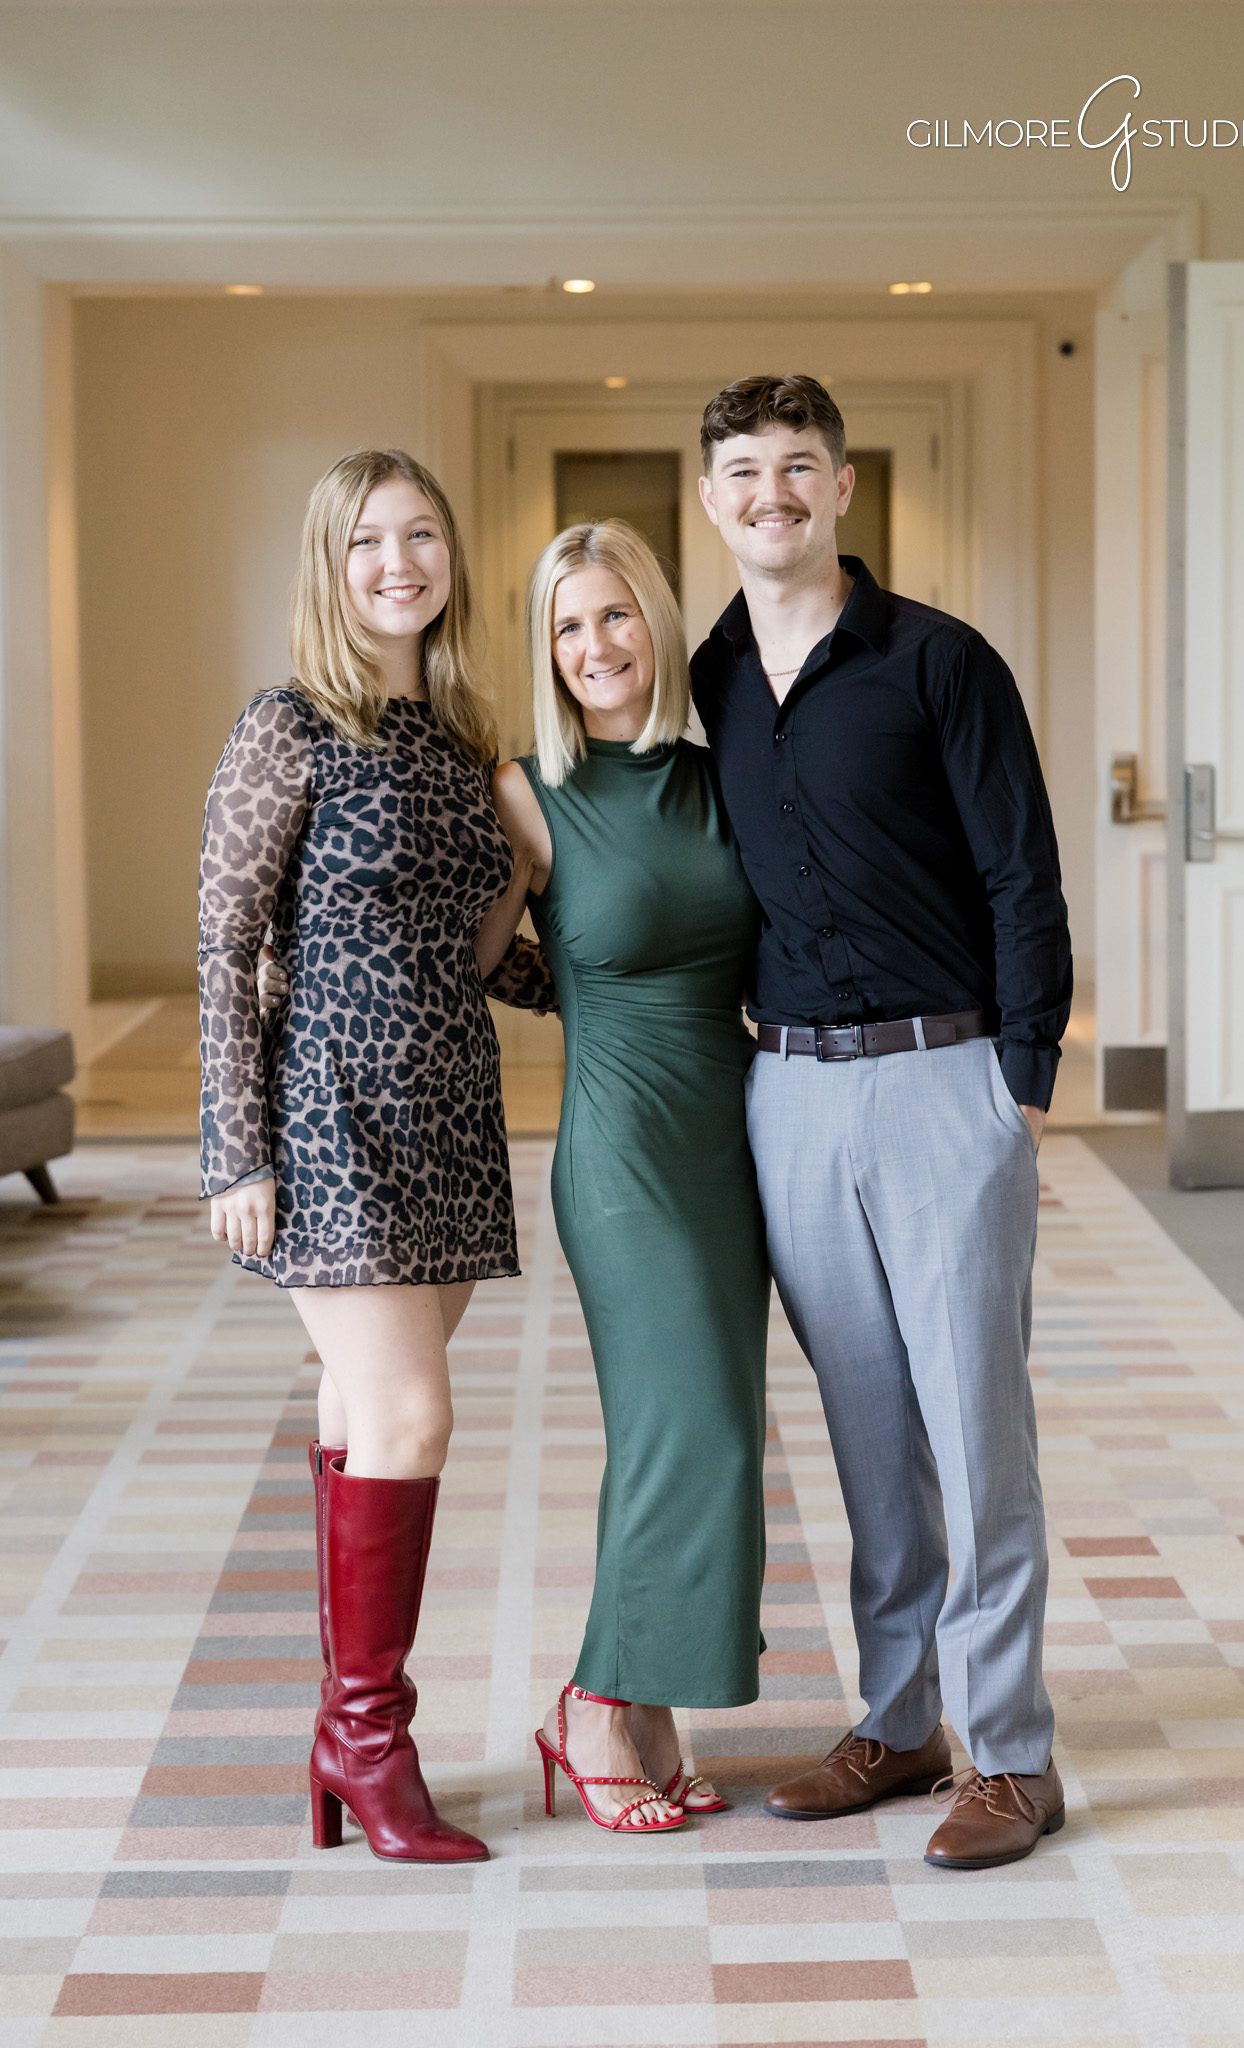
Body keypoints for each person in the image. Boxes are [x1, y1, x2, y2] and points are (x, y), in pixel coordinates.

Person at [691, 375, 1072, 1870]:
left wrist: (1013, 1085)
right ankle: (901, 1717)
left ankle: (1014, 1753)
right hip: (783, 1088)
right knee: (863, 1435)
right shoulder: (706, 675)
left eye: (797, 465)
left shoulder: (937, 661)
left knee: (975, 1431)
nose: (769, 491)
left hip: (940, 1079)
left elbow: (1019, 876)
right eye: (741, 469)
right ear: (710, 495)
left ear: (842, 487)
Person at [198, 448, 548, 1866]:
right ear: (327, 568)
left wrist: (557, 904)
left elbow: (472, 955)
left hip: (452, 1113)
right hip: (328, 1114)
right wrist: (235, 1151)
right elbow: (223, 946)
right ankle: (366, 1738)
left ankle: (346, 1740)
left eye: (420, 536)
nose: (398, 562)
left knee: (364, 1414)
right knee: (411, 1420)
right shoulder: (286, 727)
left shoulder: (464, 741)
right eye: (366, 543)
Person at [484, 519, 770, 1833]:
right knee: (687, 1426)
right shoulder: (527, 792)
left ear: (654, 622)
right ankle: (597, 1703)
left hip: (733, 1139)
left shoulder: (726, 778)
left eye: (613, 616)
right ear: (545, 649)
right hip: (624, 1151)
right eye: (565, 624)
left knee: (709, 1431)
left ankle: (649, 1704)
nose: (593, 645)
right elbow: (477, 957)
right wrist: (592, 997)